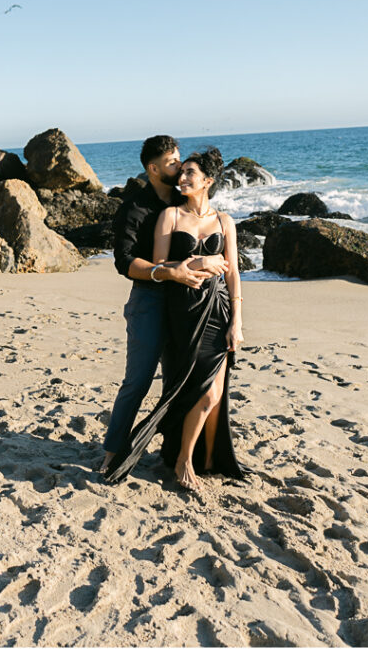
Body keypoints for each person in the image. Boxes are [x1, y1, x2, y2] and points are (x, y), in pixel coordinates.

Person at [104, 147, 246, 490]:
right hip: (182, 312)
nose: (182, 178)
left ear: (208, 181)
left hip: (218, 309)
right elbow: (159, 264)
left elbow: (234, 274)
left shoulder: (225, 222)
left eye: (190, 174)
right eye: (180, 172)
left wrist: (237, 321)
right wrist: (197, 264)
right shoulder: (170, 216)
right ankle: (166, 456)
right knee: (184, 388)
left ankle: (188, 459)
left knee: (213, 394)